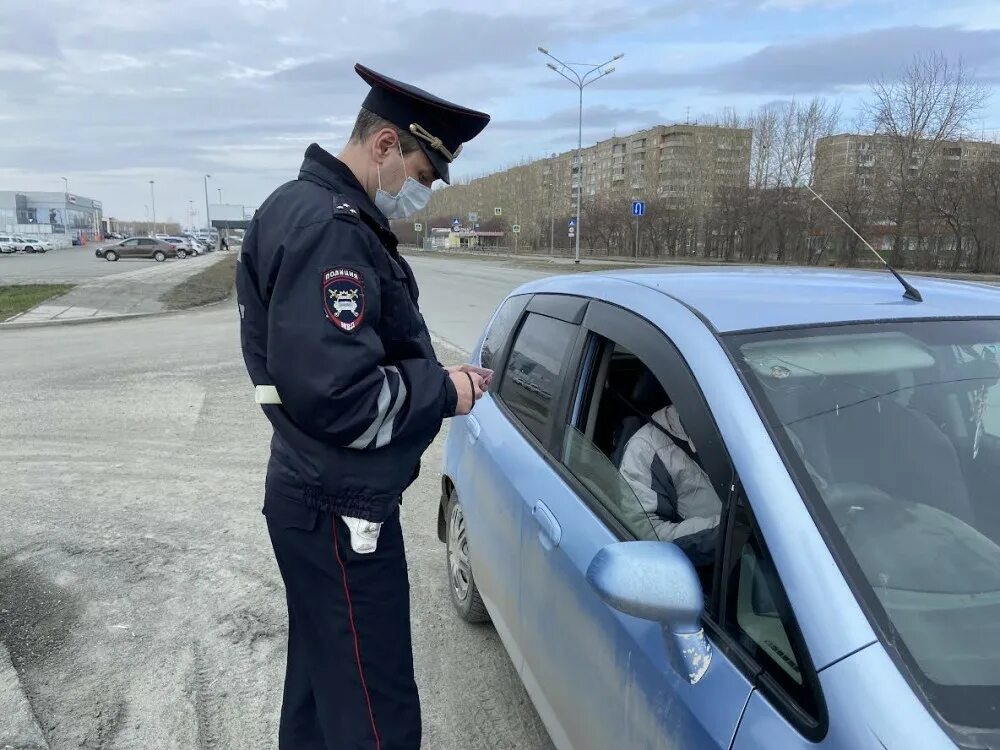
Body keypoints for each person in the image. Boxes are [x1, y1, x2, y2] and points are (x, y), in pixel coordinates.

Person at [235, 63, 491, 749]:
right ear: (384, 147)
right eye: (423, 174)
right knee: (376, 712)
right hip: (341, 511)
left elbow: (331, 365)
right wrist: (447, 391)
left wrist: (426, 374)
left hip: (309, 492)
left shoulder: (295, 206)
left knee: (323, 689)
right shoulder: (334, 231)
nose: (422, 193)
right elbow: (345, 397)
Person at [619, 404, 721, 566]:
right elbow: (647, 533)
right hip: (705, 571)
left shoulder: (746, 429)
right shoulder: (645, 449)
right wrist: (725, 531)